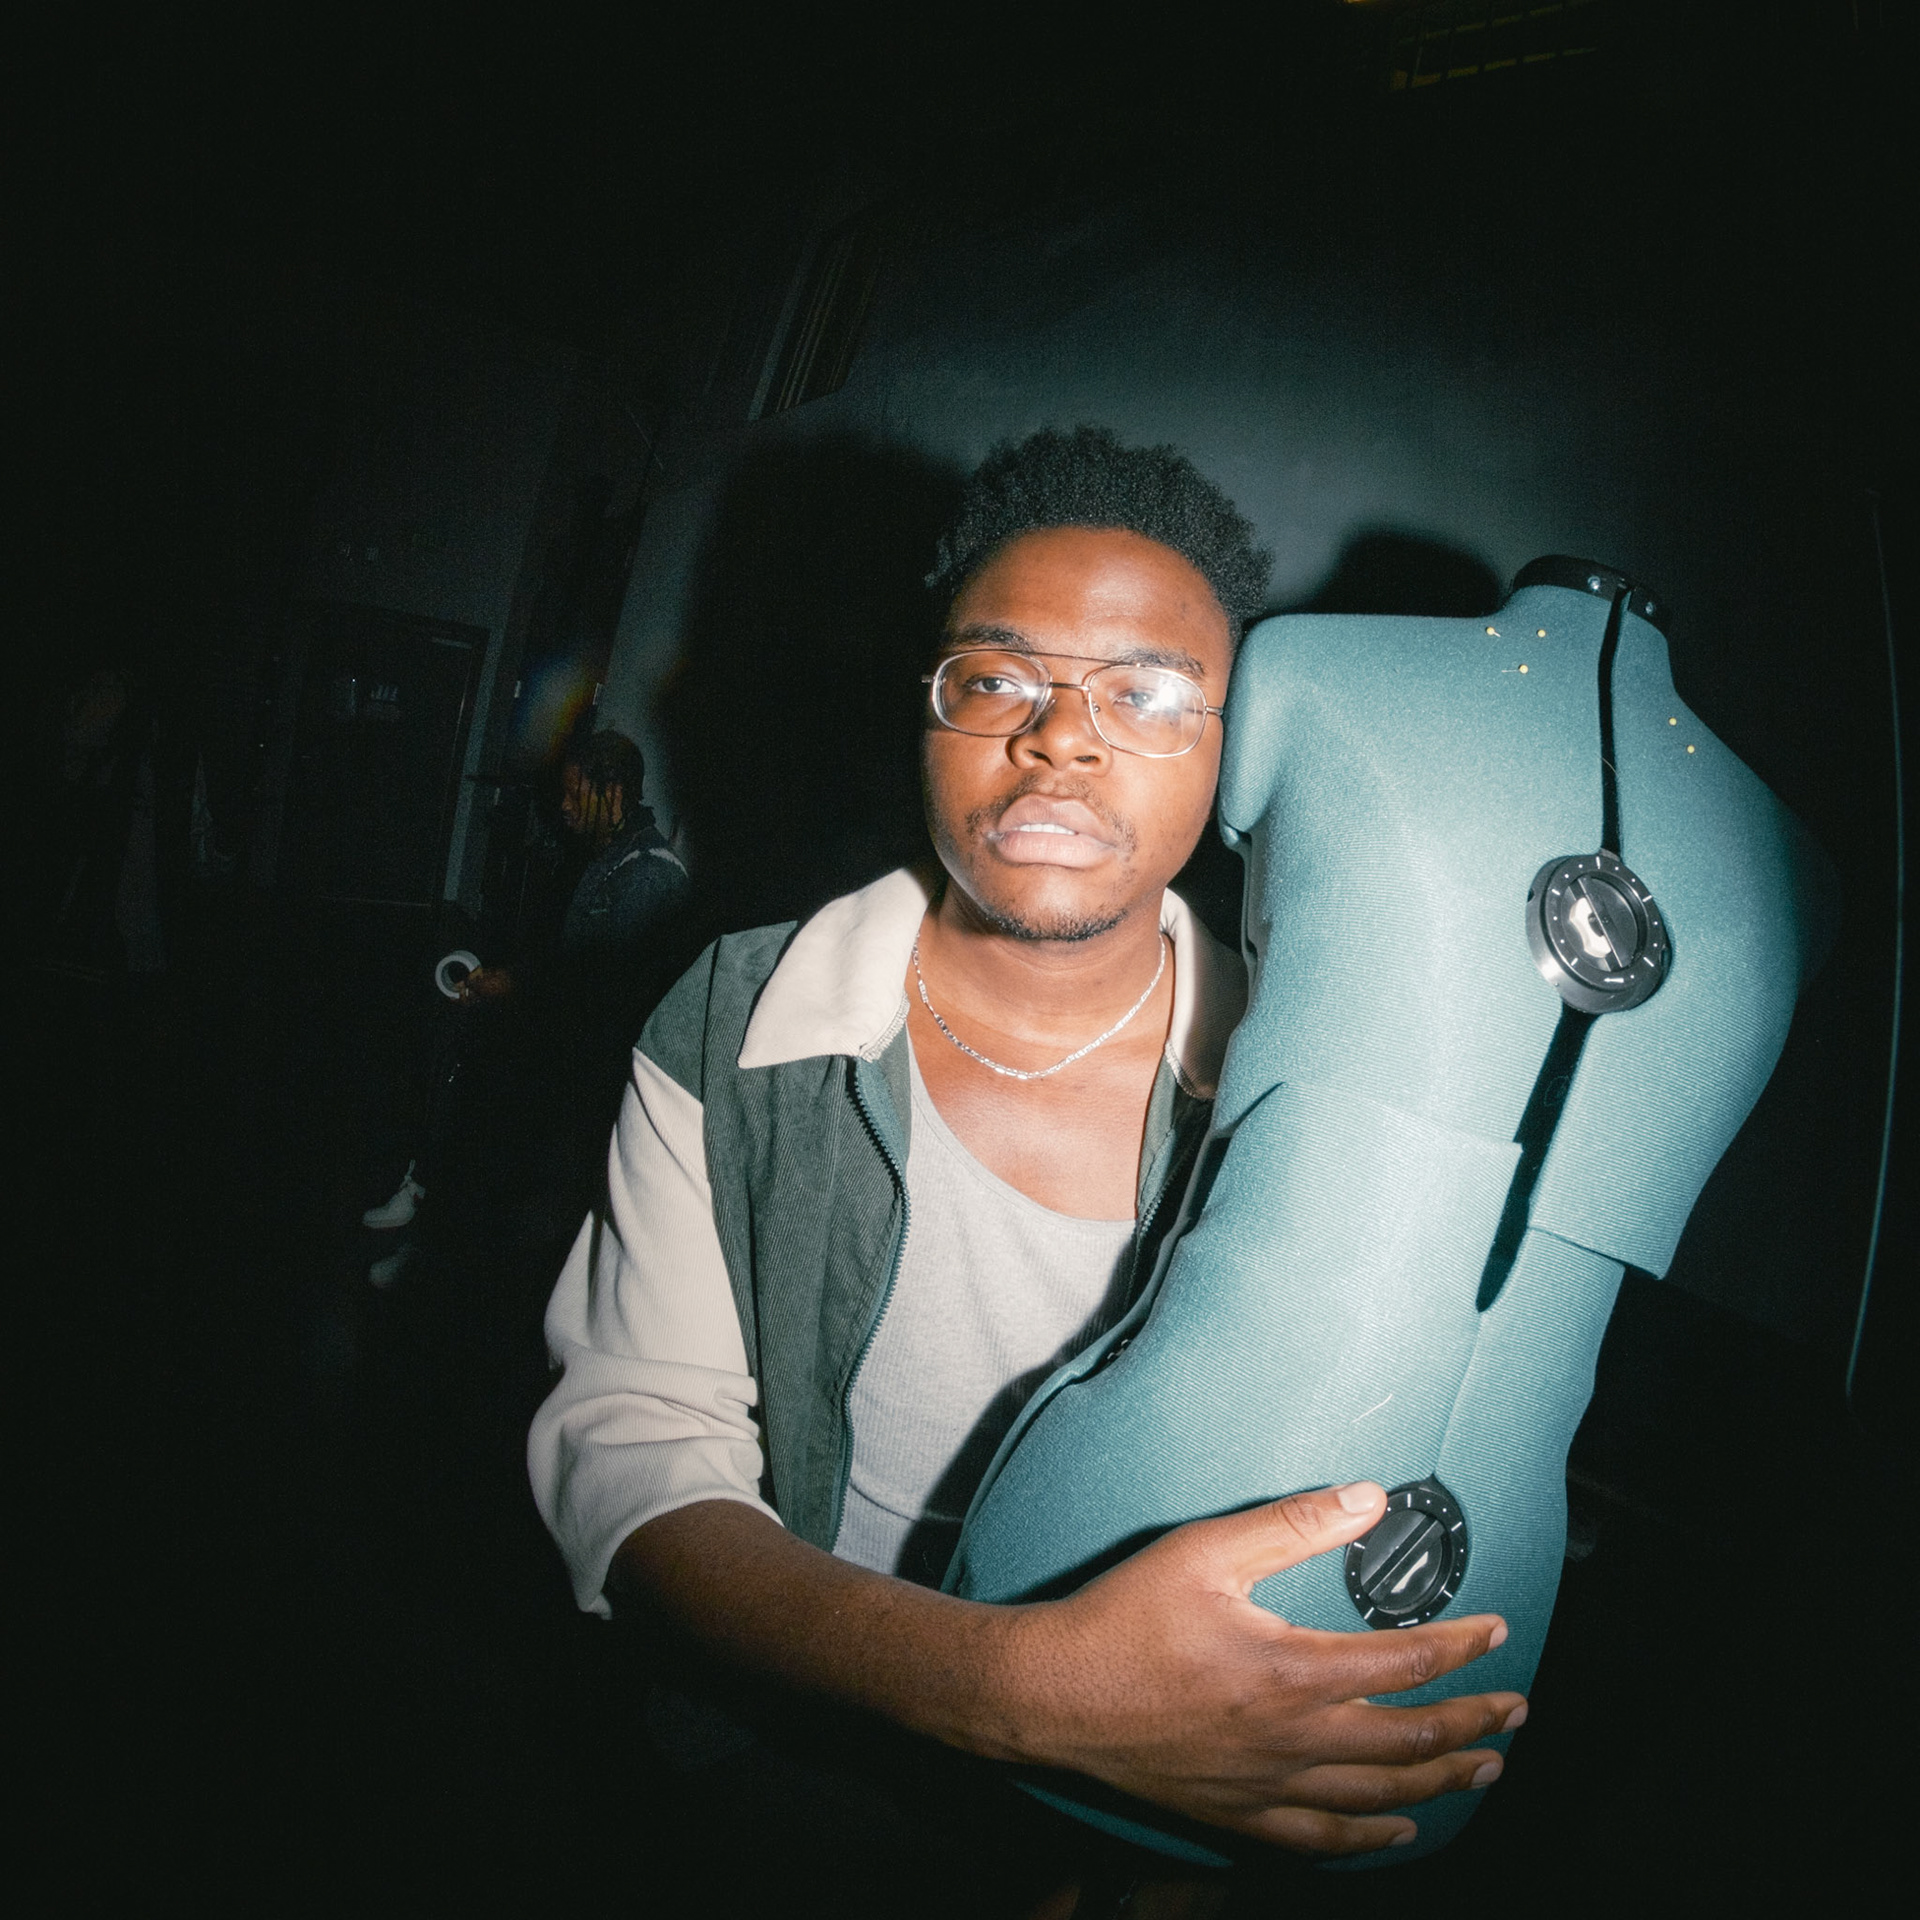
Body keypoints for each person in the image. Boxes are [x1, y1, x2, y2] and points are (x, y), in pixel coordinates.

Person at [529, 430, 1524, 1915]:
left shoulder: (1319, 1085)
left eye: (1148, 692)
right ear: (924, 712)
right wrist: (1019, 1692)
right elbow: (633, 1453)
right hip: (797, 1767)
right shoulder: (736, 1015)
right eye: (995, 678)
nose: (1060, 737)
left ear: (1236, 759)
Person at [361, 728, 687, 1282]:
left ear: (611, 794)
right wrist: (509, 983)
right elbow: (575, 967)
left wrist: (515, 996)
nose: (563, 806)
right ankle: (426, 1208)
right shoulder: (609, 858)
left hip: (601, 1084)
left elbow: (605, 1002)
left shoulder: (649, 876)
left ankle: (434, 1257)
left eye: (574, 793)